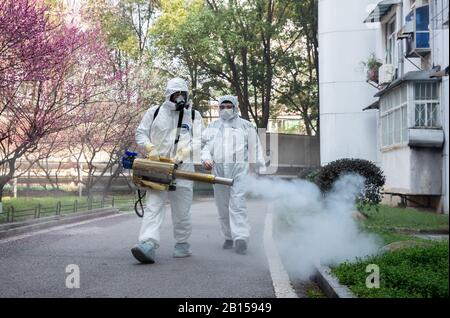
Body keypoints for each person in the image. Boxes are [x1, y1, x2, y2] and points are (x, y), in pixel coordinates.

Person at [132, 77, 203, 263]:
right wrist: (150, 148)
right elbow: (141, 132)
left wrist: (184, 153)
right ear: (168, 94)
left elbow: (199, 139)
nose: (180, 97)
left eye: (183, 94)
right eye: (176, 94)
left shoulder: (193, 115)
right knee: (154, 206)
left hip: (183, 169)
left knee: (182, 210)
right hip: (157, 167)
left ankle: (182, 243)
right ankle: (147, 244)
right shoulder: (154, 112)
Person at [201, 95, 266, 255]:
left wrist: (260, 170)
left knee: (238, 205)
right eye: (222, 107)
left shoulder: (246, 126)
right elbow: (204, 147)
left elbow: (255, 148)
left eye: (228, 106)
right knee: (222, 206)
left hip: (239, 170)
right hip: (219, 170)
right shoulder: (212, 127)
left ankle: (241, 238)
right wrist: (206, 159)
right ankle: (229, 237)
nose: (225, 110)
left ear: (235, 107)